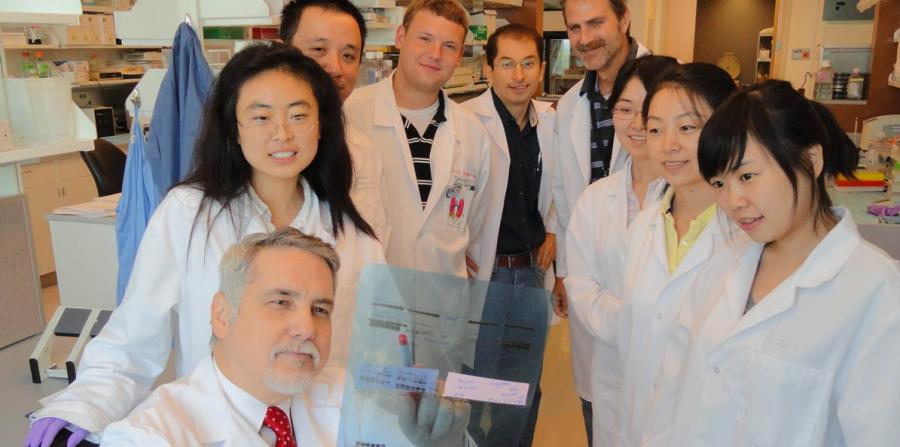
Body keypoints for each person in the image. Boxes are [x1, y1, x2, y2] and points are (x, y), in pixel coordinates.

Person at [25, 44, 384, 447]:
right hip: (212, 427)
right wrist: (82, 406)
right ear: (233, 128)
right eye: (261, 117)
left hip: (323, 427)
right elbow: (133, 339)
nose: (282, 133)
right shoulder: (189, 214)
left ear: (322, 125)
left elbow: (379, 352)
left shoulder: (352, 232)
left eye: (299, 116)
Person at [657, 80, 900, 445]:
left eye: (747, 176)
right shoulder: (725, 257)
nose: (733, 201)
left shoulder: (875, 290)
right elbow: (672, 385)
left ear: (810, 161)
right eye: (720, 183)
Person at [101, 229, 342, 445]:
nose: (307, 329)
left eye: (320, 309)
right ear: (222, 315)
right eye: (280, 302)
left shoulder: (347, 397)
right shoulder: (145, 437)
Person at [614, 63, 739, 446]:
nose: (668, 145)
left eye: (687, 127)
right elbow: (632, 351)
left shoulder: (747, 238)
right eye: (655, 129)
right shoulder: (644, 228)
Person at [343, 0, 502, 282]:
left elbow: (475, 224)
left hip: (443, 296)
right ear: (400, 37)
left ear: (460, 56)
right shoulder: (350, 115)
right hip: (370, 294)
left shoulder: (473, 134)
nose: (435, 54)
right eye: (425, 39)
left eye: (449, 46)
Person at [564, 55, 677, 447]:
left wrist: (643, 325)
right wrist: (636, 324)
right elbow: (581, 286)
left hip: (672, 373)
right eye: (625, 109)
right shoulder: (595, 199)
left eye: (649, 111)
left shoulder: (695, 198)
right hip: (606, 367)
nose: (637, 123)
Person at [550, 0, 651, 435]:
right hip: (592, 272)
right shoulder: (571, 103)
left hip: (652, 267)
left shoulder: (671, 84)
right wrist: (564, 271)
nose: (585, 38)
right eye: (574, 27)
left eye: (596, 23)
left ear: (624, 19)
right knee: (597, 400)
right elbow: (562, 192)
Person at [461, 24, 556, 446]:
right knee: (472, 384)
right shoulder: (466, 121)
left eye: (528, 63)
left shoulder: (550, 122)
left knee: (522, 388)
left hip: (532, 273)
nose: (519, 75)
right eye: (507, 64)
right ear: (489, 69)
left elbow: (563, 189)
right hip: (485, 275)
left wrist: (554, 230)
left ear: (542, 69)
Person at [280, 0, 387, 240]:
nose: (335, 68)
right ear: (282, 53)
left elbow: (375, 245)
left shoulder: (365, 153)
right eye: (319, 50)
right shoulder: (253, 150)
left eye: (348, 55)